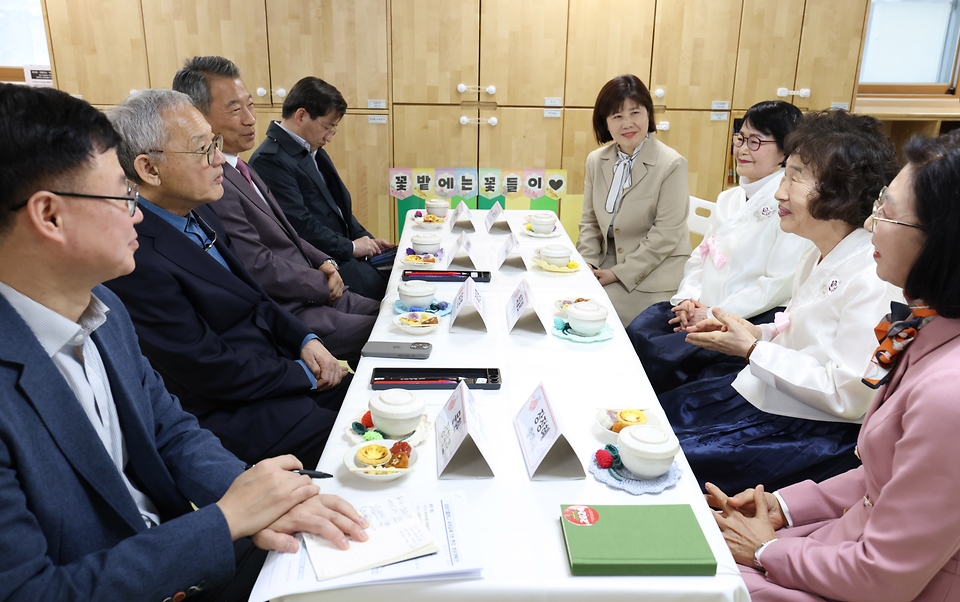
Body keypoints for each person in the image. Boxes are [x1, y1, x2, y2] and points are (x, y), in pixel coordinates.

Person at [0, 83, 368, 602]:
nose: (136, 213)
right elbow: (33, 593)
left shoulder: (103, 309)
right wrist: (225, 521)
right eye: (120, 195)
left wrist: (261, 499)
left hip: (178, 556)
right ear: (49, 216)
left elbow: (170, 431)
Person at [708, 130, 960, 602]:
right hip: (845, 541)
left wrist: (767, 551)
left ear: (942, 243)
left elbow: (883, 576)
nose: (871, 222)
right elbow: (885, 474)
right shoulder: (929, 324)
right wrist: (781, 506)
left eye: (887, 212)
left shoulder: (949, 393)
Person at [659, 110, 902, 494]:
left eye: (795, 177)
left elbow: (850, 394)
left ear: (841, 190)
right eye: (784, 174)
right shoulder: (818, 251)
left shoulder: (872, 279)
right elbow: (798, 327)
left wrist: (753, 348)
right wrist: (756, 330)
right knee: (658, 414)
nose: (779, 192)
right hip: (769, 395)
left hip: (806, 429)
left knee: (666, 457)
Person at [104, 89, 350, 468]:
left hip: (275, 374)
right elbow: (210, 368)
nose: (220, 159)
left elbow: (256, 297)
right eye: (204, 149)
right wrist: (303, 373)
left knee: (376, 393)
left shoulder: (199, 212)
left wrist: (304, 339)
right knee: (360, 444)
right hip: (236, 411)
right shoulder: (138, 258)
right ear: (149, 169)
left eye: (215, 144)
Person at [172, 56, 379, 361]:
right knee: (391, 335)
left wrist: (326, 263)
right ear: (197, 117)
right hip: (294, 309)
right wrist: (322, 282)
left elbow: (291, 233)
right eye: (234, 109)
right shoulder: (215, 183)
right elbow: (257, 265)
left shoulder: (241, 165)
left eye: (250, 105)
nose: (250, 119)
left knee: (399, 314)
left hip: (317, 290)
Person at [627, 100, 812, 393]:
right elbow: (701, 257)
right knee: (639, 330)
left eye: (756, 141)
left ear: (785, 152)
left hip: (739, 320)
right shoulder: (730, 198)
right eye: (740, 138)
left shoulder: (788, 207)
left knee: (661, 354)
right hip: (701, 306)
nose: (742, 149)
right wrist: (687, 299)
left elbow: (776, 285)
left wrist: (714, 313)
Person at [250, 76, 393, 300]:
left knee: (402, 270)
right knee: (392, 292)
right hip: (322, 263)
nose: (329, 137)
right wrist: (351, 247)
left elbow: (338, 209)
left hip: (342, 252)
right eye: (327, 127)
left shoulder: (312, 147)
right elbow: (300, 226)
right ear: (301, 115)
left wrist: (368, 240)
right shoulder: (269, 160)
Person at [576, 74, 692, 326]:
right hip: (606, 266)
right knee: (566, 298)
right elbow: (590, 221)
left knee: (587, 314)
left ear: (648, 114)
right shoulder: (596, 160)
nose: (627, 123)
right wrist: (586, 263)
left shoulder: (671, 163)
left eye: (635, 113)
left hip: (652, 274)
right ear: (605, 123)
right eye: (617, 116)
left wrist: (617, 274)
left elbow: (666, 235)